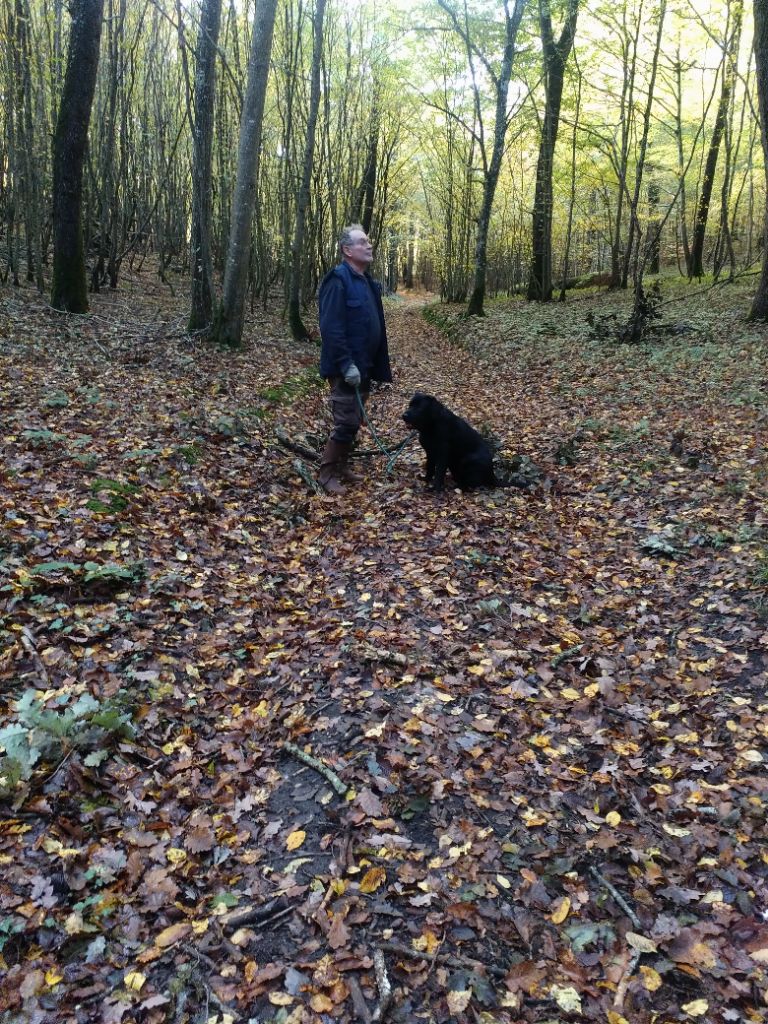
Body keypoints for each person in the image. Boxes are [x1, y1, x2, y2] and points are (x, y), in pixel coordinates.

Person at [317, 224, 392, 493]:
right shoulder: (337, 280)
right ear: (347, 250)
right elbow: (331, 328)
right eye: (362, 242)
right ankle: (325, 475)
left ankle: (342, 466)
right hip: (345, 368)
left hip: (365, 367)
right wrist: (346, 364)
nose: (369, 245)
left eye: (368, 242)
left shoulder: (368, 283)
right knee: (346, 421)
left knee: (355, 419)